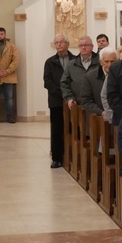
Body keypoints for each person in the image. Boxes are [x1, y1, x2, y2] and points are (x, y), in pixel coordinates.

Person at [43, 34, 75, 168]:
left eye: (61, 42)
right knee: (57, 129)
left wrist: (70, 95)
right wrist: (63, 94)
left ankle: (72, 155)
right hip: (56, 100)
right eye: (56, 43)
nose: (59, 45)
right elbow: (47, 82)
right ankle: (57, 157)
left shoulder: (75, 60)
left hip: (73, 101)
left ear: (67, 44)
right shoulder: (50, 62)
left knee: (73, 128)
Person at [60, 35, 99, 109]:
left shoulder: (100, 62)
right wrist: (69, 98)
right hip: (77, 104)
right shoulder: (71, 64)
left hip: (97, 105)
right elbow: (64, 83)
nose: (83, 47)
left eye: (86, 45)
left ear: (92, 46)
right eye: (81, 45)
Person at [80, 47, 118, 116]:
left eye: (112, 61)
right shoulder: (89, 77)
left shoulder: (121, 76)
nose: (109, 65)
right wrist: (101, 112)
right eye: (106, 61)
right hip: (97, 118)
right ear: (101, 62)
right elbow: (86, 101)